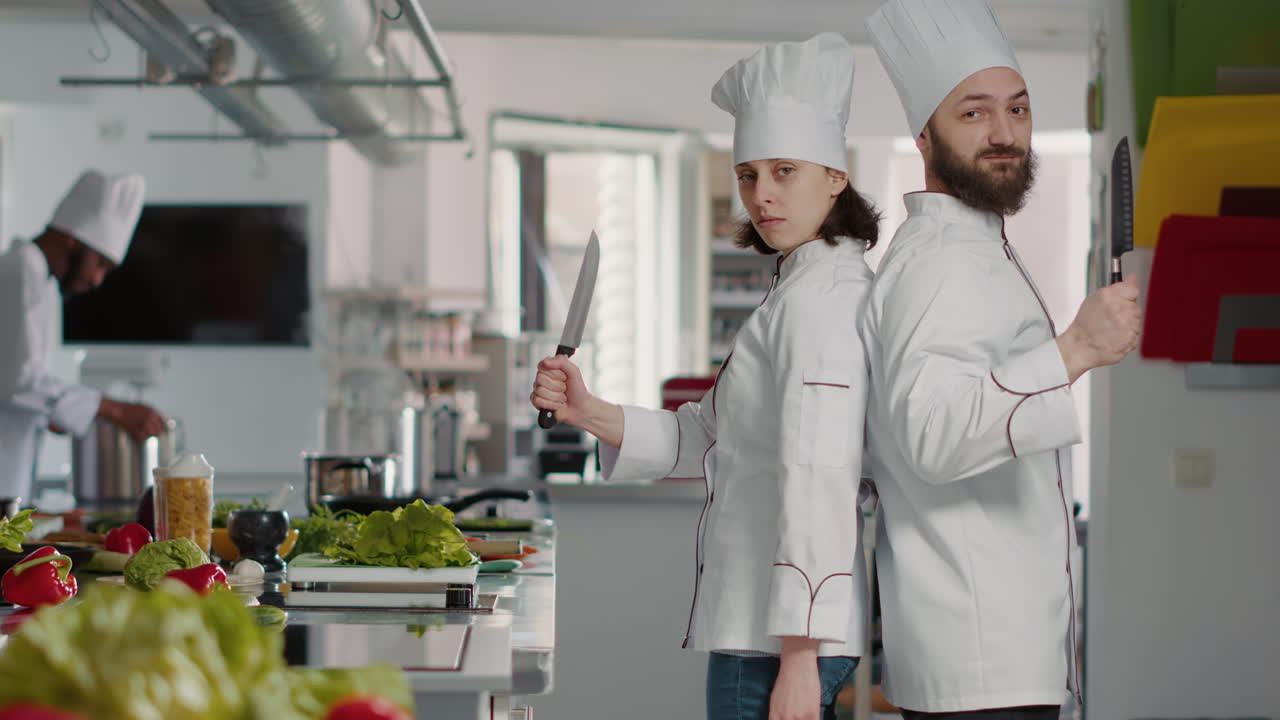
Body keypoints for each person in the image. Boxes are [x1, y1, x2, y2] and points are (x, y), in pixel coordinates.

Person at [531, 33, 880, 720]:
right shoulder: (796, 290)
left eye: (785, 171)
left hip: (778, 639)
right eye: (748, 175)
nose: (761, 195)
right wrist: (586, 409)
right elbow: (708, 437)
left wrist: (800, 658)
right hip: (763, 627)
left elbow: (820, 476)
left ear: (836, 177)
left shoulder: (824, 302)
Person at [860, 1, 1143, 718]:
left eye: (1017, 109)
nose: (1004, 133)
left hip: (991, 655)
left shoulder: (972, 248)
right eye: (974, 113)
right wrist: (1074, 349)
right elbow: (933, 433)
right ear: (923, 136)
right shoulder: (940, 263)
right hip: (978, 659)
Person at [0, 170, 168, 500]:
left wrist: (50, 412)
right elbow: (17, 381)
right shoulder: (20, 269)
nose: (96, 280)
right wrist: (115, 409)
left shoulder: (36, 277)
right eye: (100, 263)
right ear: (73, 239)